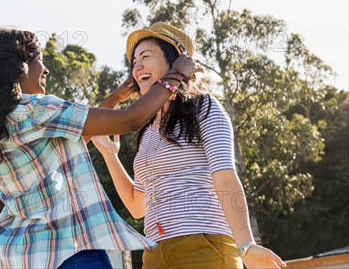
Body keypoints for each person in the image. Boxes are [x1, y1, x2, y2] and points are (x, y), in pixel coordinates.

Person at [0, 27, 202, 269]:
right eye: (40, 61)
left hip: (22, 256)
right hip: (69, 251)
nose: (45, 69)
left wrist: (117, 96)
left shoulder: (1, 123)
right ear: (19, 66)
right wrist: (175, 75)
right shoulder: (38, 110)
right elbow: (131, 119)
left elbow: (79, 133)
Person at [92, 22, 287, 269]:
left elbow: (225, 179)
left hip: (203, 244)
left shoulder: (203, 107)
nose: (137, 65)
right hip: (154, 252)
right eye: (134, 62)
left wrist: (246, 245)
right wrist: (110, 155)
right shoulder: (147, 130)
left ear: (174, 63)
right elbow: (137, 206)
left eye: (146, 56)